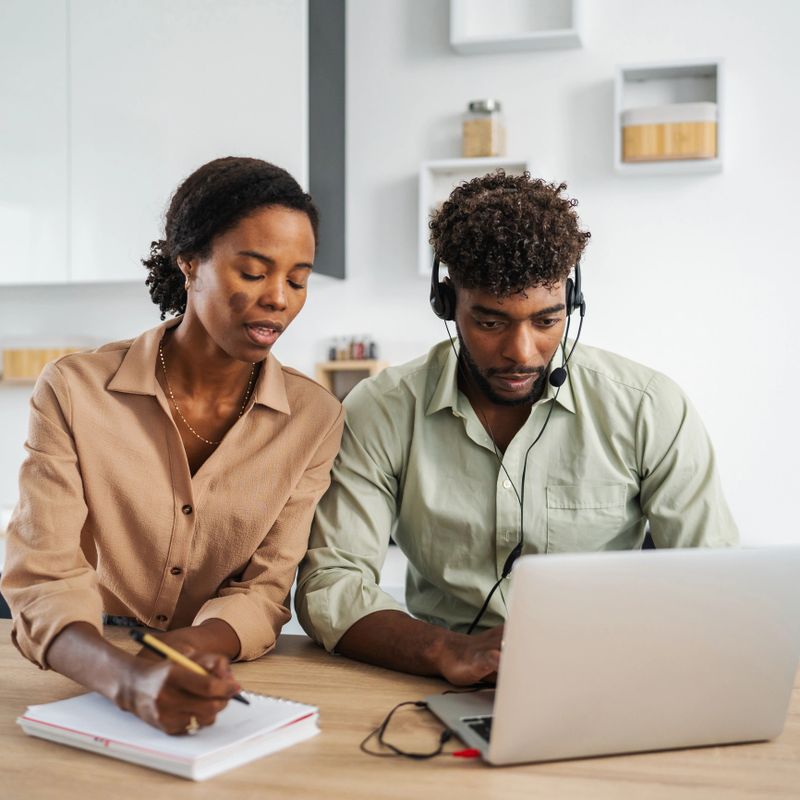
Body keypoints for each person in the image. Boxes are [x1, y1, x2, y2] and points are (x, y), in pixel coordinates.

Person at [295, 170, 738, 686]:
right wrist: (446, 651)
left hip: (608, 676)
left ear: (571, 303)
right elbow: (331, 583)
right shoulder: (384, 409)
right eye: (490, 323)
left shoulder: (647, 407)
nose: (520, 353)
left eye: (547, 321)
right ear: (446, 305)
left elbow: (717, 585)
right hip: (435, 679)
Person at [1, 157, 343, 734]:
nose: (279, 298)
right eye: (254, 272)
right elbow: (46, 578)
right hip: (83, 661)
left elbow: (264, 588)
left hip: (213, 666)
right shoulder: (75, 389)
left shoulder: (313, 418)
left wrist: (182, 653)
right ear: (190, 262)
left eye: (297, 278)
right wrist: (130, 679)